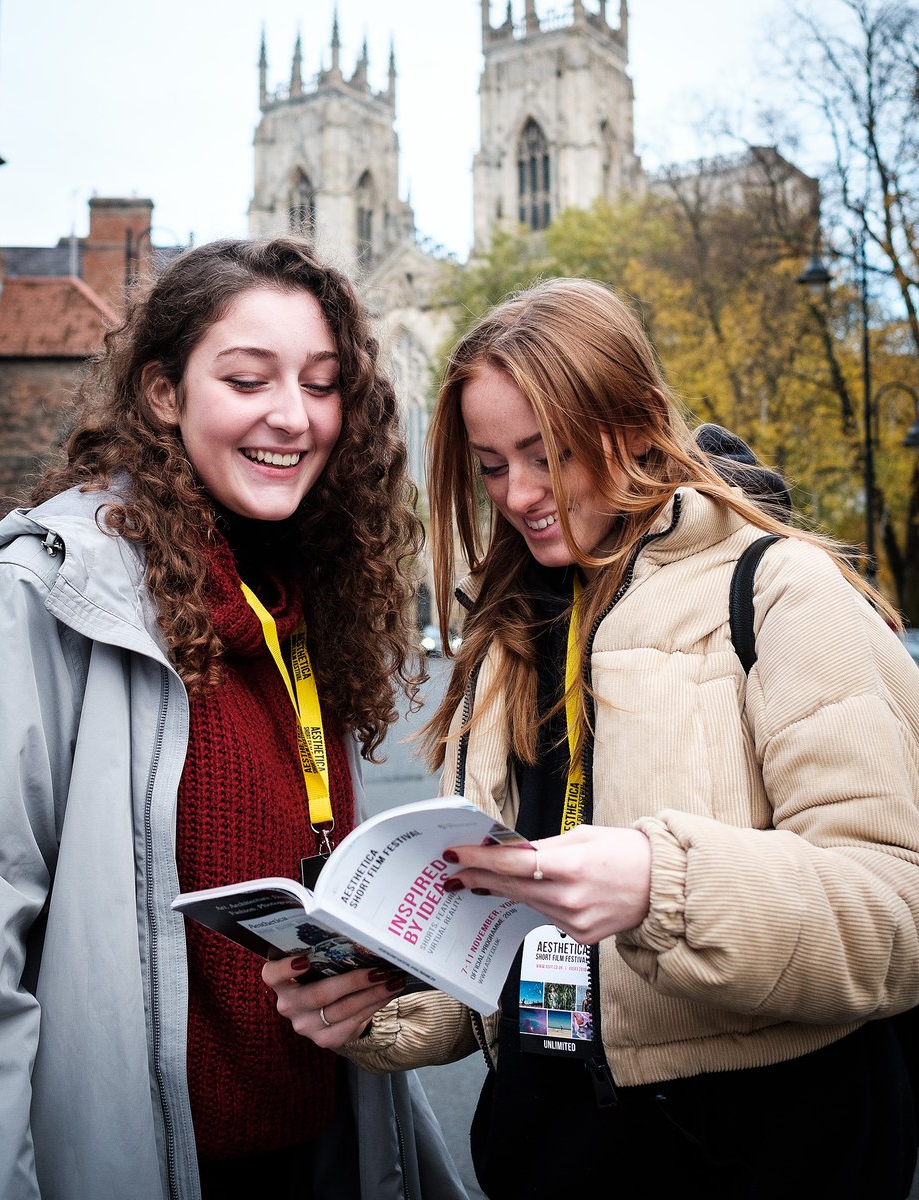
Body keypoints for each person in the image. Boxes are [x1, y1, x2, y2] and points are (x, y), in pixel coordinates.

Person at [265, 276, 919, 1200]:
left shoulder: (783, 592)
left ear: (638, 420)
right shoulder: (499, 635)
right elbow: (506, 943)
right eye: (492, 465)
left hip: (767, 1147)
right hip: (551, 1146)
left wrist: (665, 886)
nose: (520, 494)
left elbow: (901, 910)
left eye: (550, 453)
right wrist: (380, 988)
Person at [0, 236, 469, 1200]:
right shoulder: (44, 591)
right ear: (162, 394)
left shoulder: (295, 592)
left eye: (323, 385)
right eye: (247, 379)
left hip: (314, 1150)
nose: (294, 416)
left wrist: (381, 965)